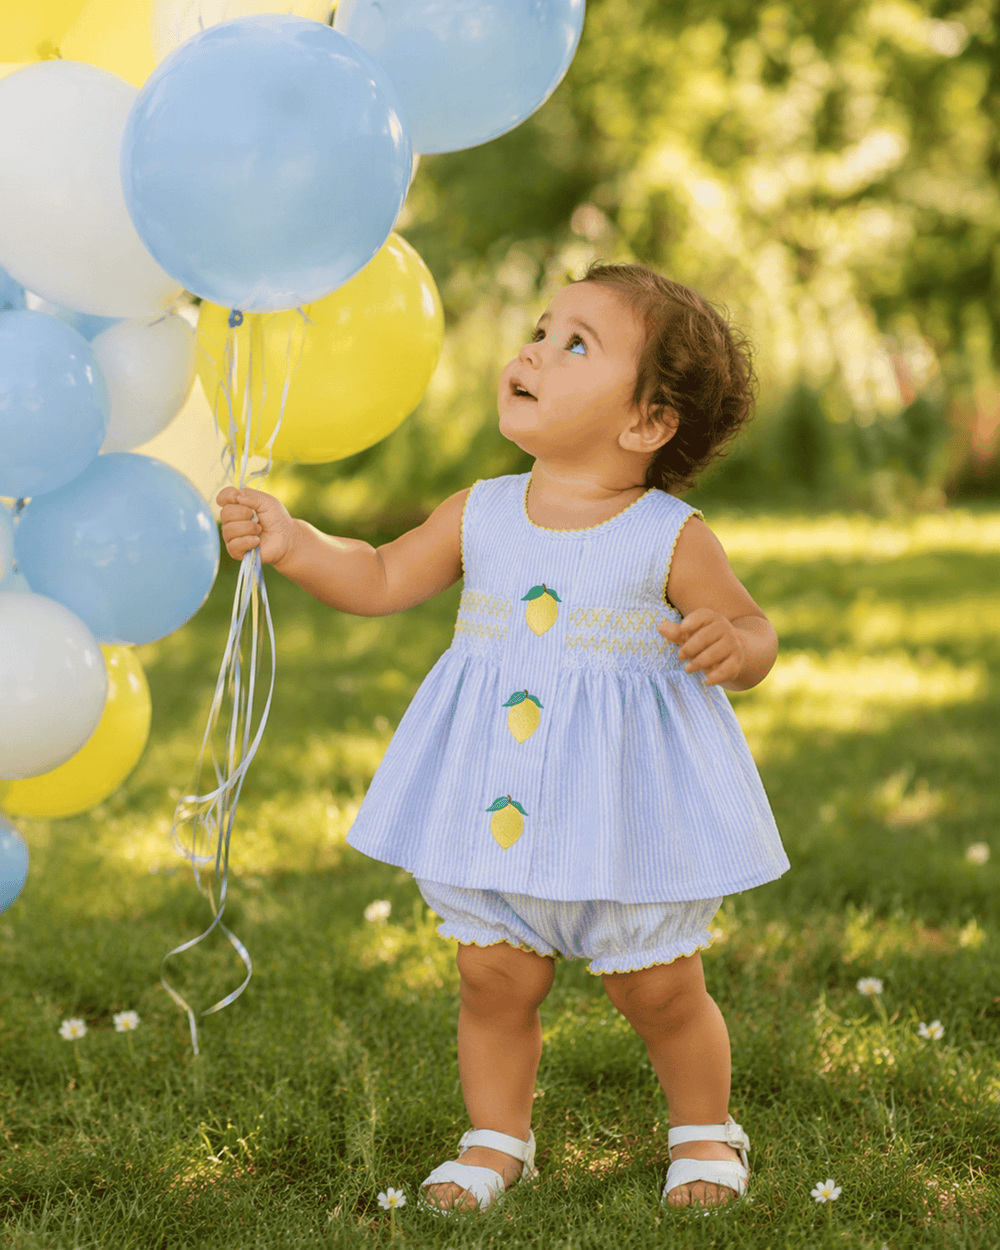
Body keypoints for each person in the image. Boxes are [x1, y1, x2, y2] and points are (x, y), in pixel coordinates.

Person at [217, 261, 790, 1216]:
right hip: (498, 806)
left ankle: (702, 1131)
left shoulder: (668, 535)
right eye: (541, 327)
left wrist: (733, 643)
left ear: (646, 423)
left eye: (575, 345)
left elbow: (755, 627)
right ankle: (495, 1137)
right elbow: (382, 577)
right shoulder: (481, 509)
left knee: (657, 988)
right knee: (491, 975)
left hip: (620, 819)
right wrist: (298, 542)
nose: (531, 350)